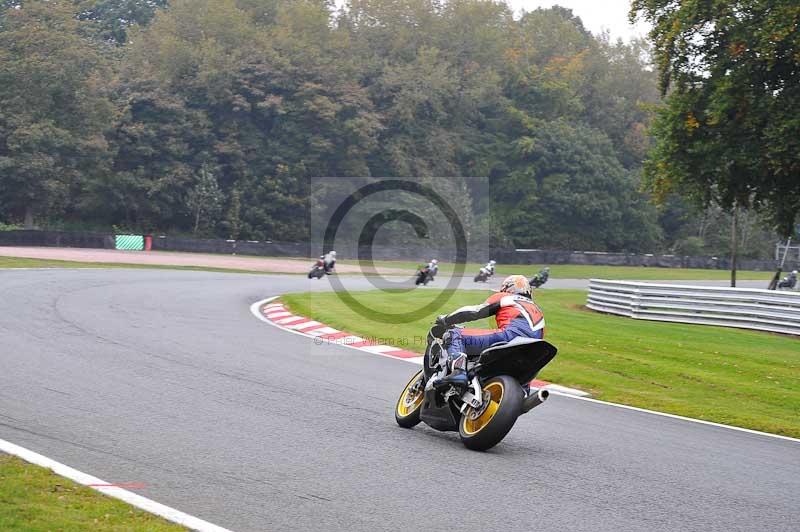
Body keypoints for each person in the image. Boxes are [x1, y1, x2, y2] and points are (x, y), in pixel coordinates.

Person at [432, 274, 545, 388]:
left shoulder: (506, 297)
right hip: (533, 350)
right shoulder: (537, 310)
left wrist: (446, 318)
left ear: (508, 287)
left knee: (455, 334)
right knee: (523, 381)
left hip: (509, 337)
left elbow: (475, 311)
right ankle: (522, 392)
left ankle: (458, 372)